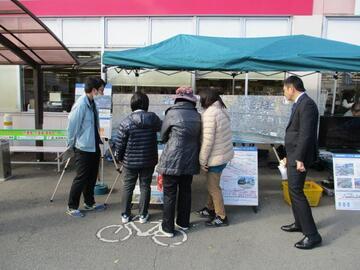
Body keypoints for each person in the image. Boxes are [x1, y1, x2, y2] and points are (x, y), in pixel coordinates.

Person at [281, 76, 322, 249]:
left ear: (291, 88)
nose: (284, 92)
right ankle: (299, 224)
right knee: (293, 190)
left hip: (299, 157)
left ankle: (312, 235)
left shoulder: (307, 104)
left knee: (297, 192)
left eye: (284, 89)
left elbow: (306, 134)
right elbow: (297, 133)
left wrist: (298, 159)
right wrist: (289, 155)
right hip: (294, 154)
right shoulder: (300, 103)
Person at [156, 86, 201, 237]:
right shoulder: (197, 115)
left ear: (177, 99)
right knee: (186, 191)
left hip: (172, 159)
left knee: (170, 194)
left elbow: (162, 136)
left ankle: (168, 228)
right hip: (190, 159)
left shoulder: (171, 113)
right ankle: (183, 222)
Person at [114, 92, 161, 224]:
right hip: (149, 160)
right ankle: (143, 215)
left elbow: (120, 143)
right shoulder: (153, 119)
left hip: (130, 161)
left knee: (128, 186)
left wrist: (119, 157)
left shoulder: (126, 121)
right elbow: (163, 129)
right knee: (145, 186)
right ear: (146, 104)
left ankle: (125, 215)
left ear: (132, 104)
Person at [66, 77, 106, 217]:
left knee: (92, 176)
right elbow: (72, 126)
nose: (101, 92)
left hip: (93, 145)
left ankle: (89, 203)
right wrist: (70, 145)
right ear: (94, 90)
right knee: (81, 177)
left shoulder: (92, 102)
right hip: (83, 147)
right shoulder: (81, 104)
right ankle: (72, 206)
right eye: (100, 90)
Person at [197, 89, 234, 227]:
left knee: (213, 187)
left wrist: (202, 160)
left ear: (206, 99)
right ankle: (210, 208)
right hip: (223, 155)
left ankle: (221, 216)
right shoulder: (222, 110)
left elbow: (207, 141)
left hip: (216, 156)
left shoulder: (210, 114)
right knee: (212, 184)